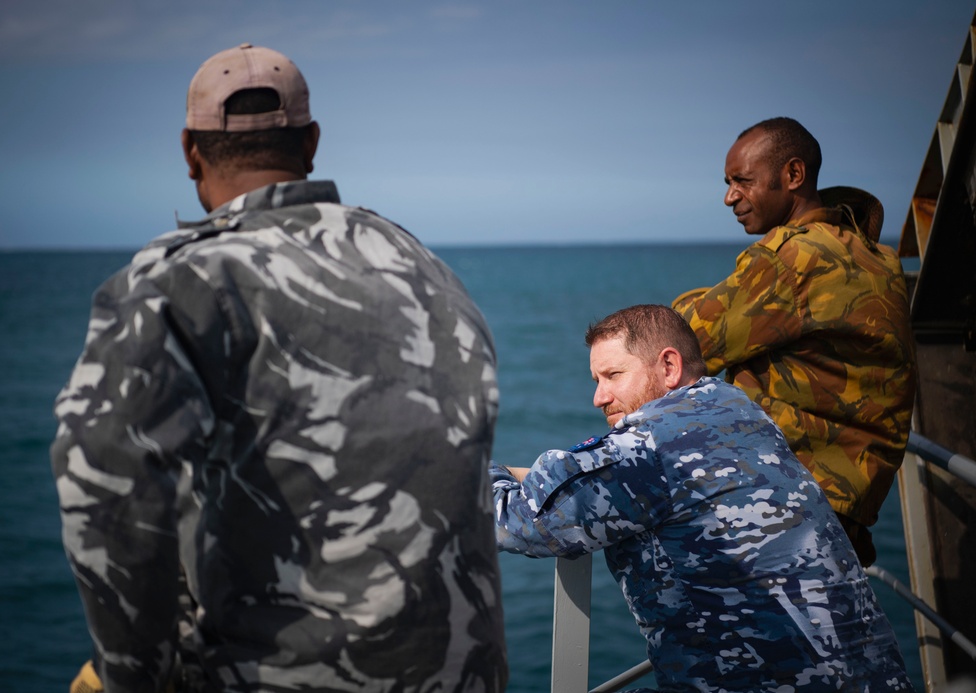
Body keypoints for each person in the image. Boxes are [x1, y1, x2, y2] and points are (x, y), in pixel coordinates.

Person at [51, 43, 507, 693]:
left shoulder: (179, 275)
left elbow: (99, 478)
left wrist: (135, 677)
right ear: (311, 143)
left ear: (190, 151)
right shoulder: (425, 267)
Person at [491, 304, 913, 692]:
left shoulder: (649, 448)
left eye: (613, 376)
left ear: (669, 366)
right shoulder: (740, 409)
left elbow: (523, 521)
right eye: (596, 381)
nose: (598, 397)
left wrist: (478, 470)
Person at [672, 117, 917, 566]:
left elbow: (685, 343)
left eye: (742, 181)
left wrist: (711, 296)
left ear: (793, 175)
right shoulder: (873, 254)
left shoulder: (795, 258)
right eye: (728, 183)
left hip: (791, 503)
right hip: (847, 503)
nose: (729, 197)